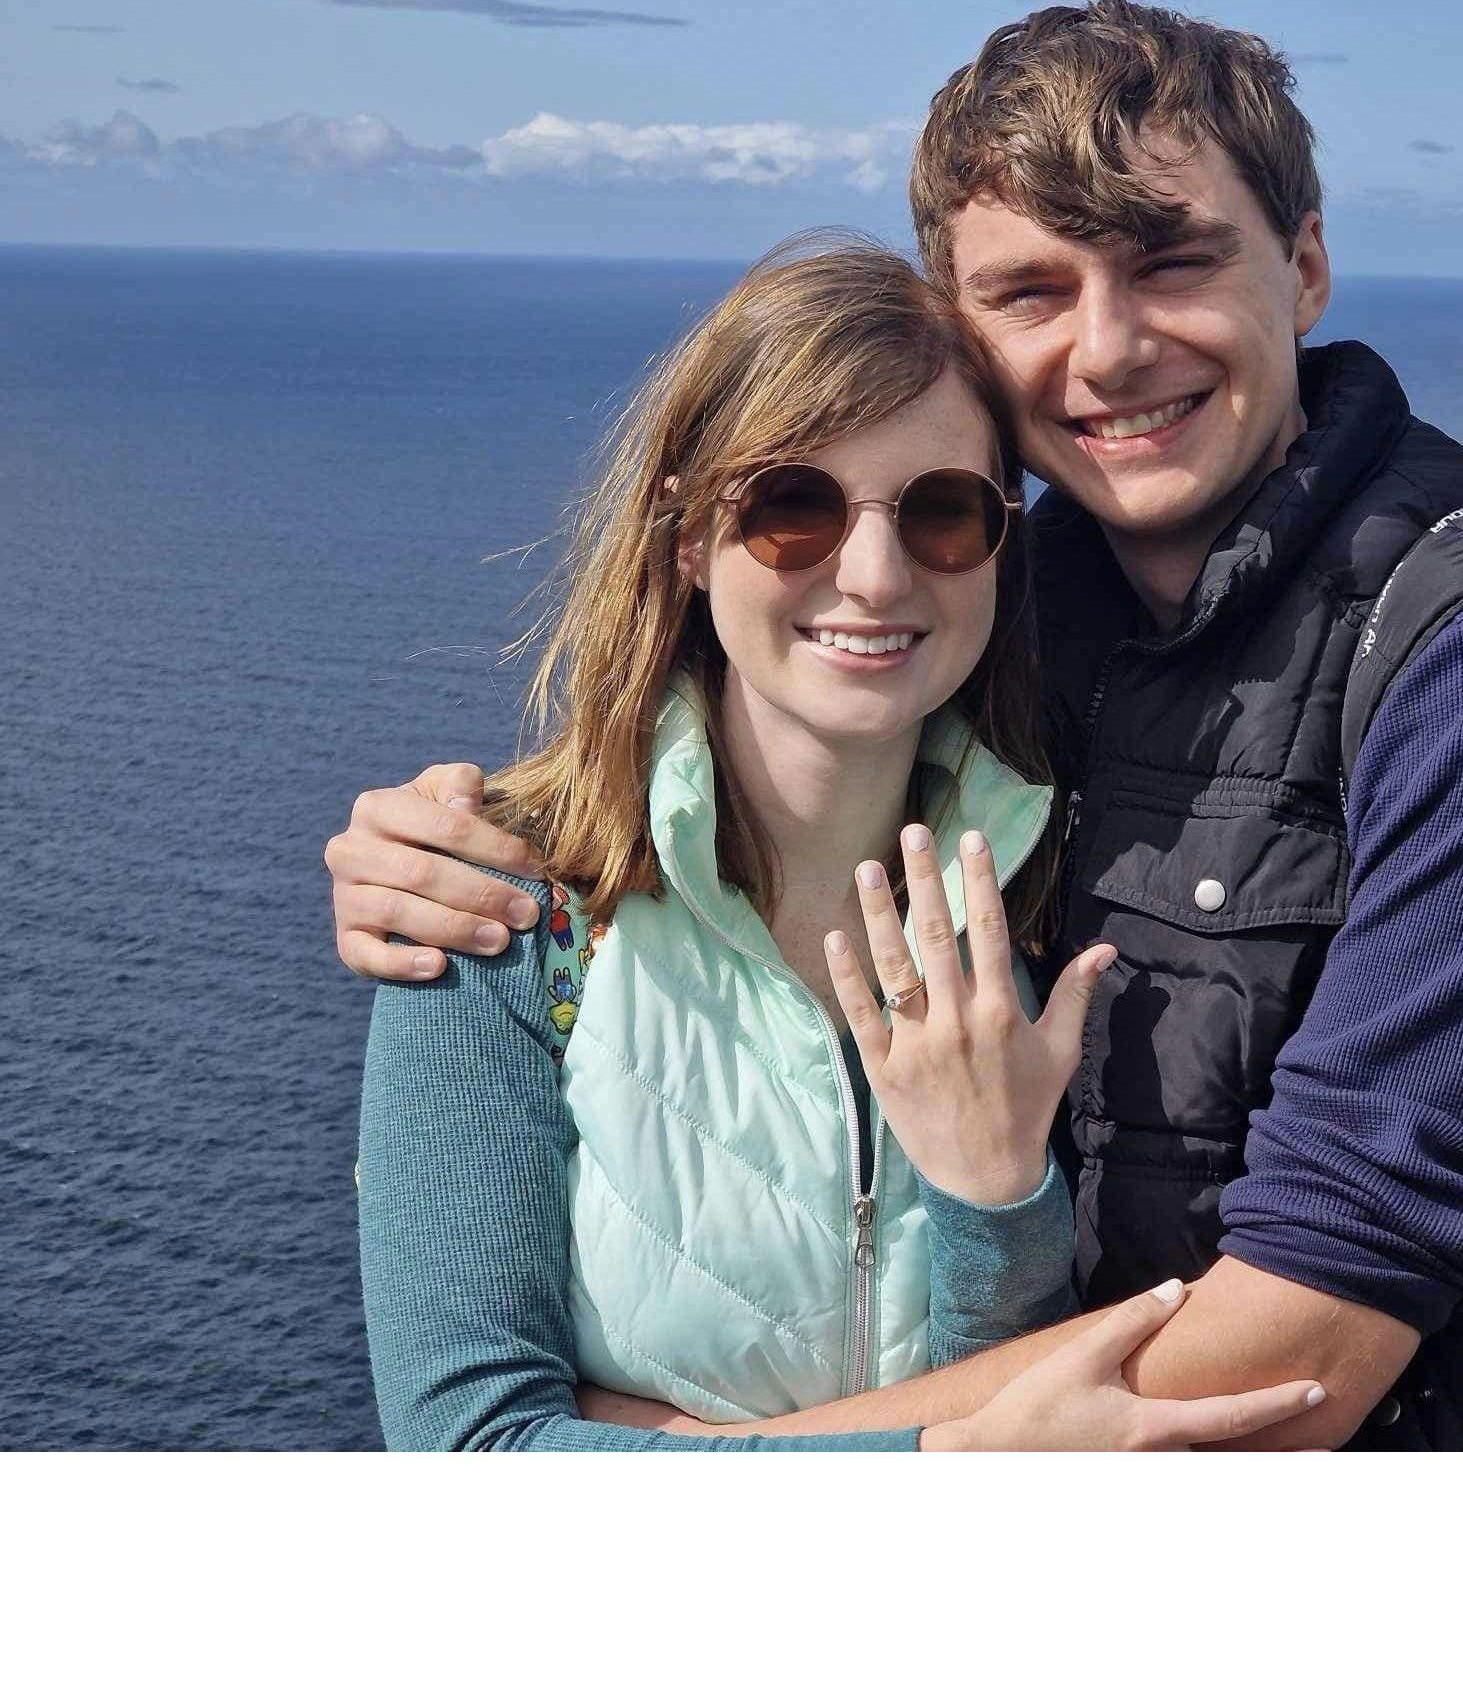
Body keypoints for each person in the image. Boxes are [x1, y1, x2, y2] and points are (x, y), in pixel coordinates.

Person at [333, 0, 1463, 1450]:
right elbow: (782, 654)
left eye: (1172, 261)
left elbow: (1302, 1348)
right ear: (959, 331)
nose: (1107, 347)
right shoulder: (1023, 610)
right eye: (1030, 289)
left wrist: (719, 1477)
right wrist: (458, 846)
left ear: (1302, 266)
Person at [356, 237, 1329, 1451]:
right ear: (684, 535)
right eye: (792, 507)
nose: (871, 576)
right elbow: (463, 1447)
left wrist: (995, 1195)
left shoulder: (1055, 893)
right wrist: (939, 1464)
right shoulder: (507, 915)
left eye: (941, 513)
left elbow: (1028, 1391)